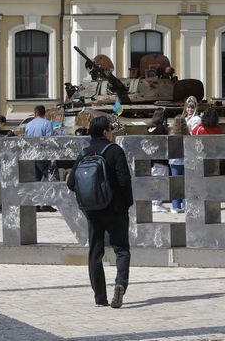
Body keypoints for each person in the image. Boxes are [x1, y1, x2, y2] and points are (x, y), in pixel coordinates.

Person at [67, 116, 133, 308]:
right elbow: (124, 181)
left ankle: (100, 298)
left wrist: (90, 198)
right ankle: (120, 284)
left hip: (93, 211)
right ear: (105, 132)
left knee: (95, 252)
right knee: (122, 250)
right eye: (111, 129)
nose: (112, 132)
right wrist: (126, 204)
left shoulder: (85, 153)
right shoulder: (115, 151)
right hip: (116, 210)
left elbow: (71, 183)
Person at [24, 106, 56, 212]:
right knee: (49, 179)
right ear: (44, 113)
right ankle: (46, 203)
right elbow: (49, 141)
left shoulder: (28, 125)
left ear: (35, 114)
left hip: (32, 155)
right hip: (43, 155)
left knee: (35, 180)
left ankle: (35, 204)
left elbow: (26, 141)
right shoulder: (47, 124)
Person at [148, 108, 169, 213]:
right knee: (161, 182)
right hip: (161, 160)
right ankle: (157, 204)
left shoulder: (150, 128)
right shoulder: (161, 129)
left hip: (153, 160)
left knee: (154, 182)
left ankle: (154, 202)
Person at [168, 115, 189, 214]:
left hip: (174, 162)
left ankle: (176, 206)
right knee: (185, 184)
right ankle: (186, 205)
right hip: (185, 162)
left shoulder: (171, 135)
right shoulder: (187, 135)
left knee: (175, 184)